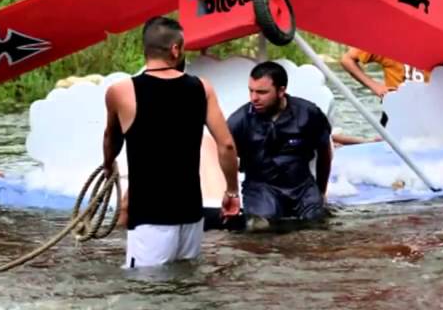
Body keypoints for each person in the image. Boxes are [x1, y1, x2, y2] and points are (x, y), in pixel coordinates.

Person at [103, 17, 240, 267]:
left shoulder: (121, 92)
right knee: (185, 287)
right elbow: (227, 145)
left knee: (147, 292)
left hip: (149, 218)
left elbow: (111, 140)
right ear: (175, 49)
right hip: (190, 213)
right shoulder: (202, 88)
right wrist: (232, 191)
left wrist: (107, 165)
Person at [227, 62, 332, 222]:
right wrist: (231, 192)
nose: (254, 98)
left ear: (281, 90)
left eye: (262, 92)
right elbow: (224, 155)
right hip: (261, 186)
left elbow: (324, 152)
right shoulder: (239, 121)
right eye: (251, 90)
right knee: (263, 226)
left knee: (318, 221)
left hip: (302, 186)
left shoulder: (308, 113)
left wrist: (321, 191)